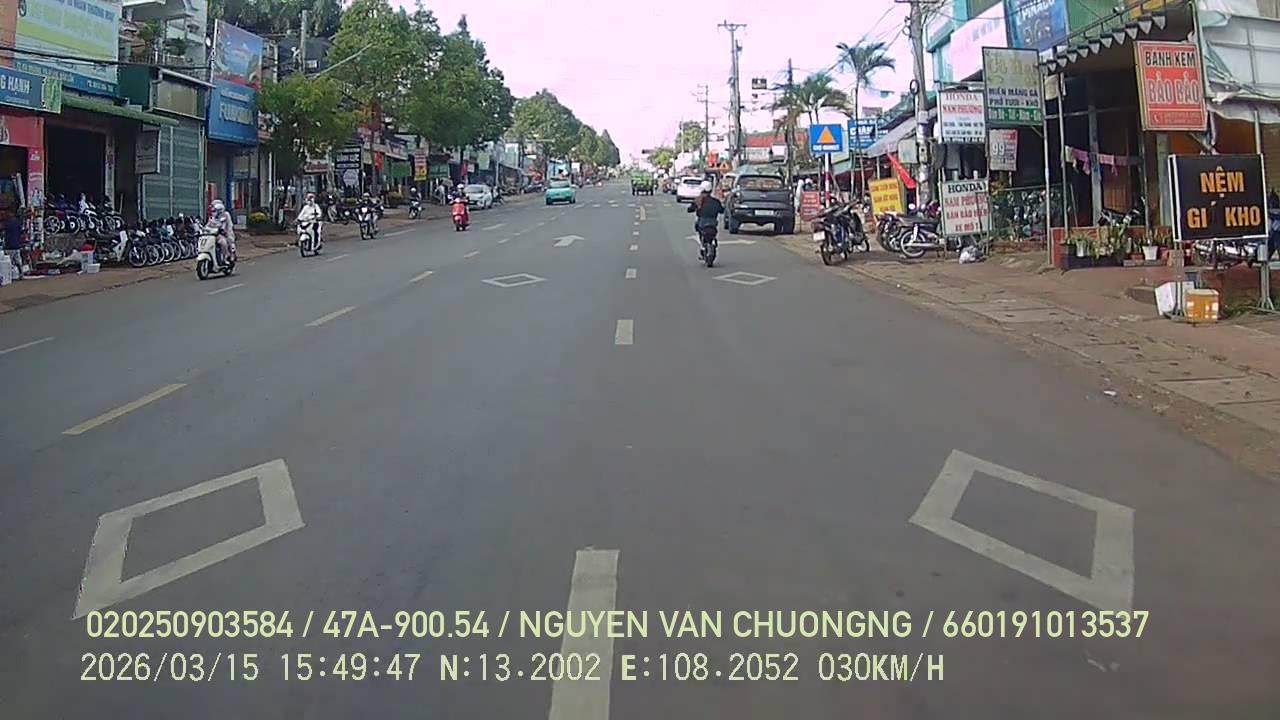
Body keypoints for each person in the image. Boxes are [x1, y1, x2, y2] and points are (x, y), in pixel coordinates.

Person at [687, 181, 724, 255]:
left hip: (703, 223)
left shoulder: (698, 200)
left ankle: (703, 246)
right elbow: (722, 210)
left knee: (698, 227)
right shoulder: (716, 201)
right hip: (713, 223)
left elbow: (690, 209)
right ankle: (706, 244)